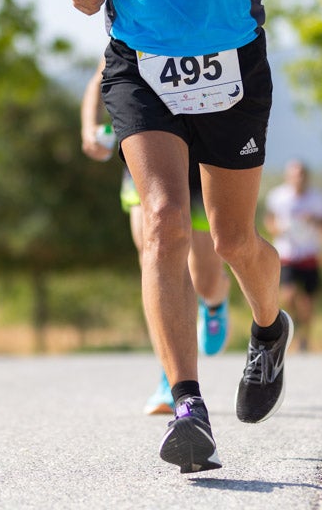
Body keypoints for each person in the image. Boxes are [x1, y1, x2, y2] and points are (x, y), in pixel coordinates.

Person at [69, 0, 322, 473]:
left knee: (235, 240)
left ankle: (269, 327)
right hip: (137, 59)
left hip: (230, 57)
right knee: (161, 221)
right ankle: (187, 404)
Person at [81, 58, 232, 415]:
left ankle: (215, 301)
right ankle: (171, 377)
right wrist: (89, 128)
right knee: (157, 259)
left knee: (204, 277)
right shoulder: (133, 30)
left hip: (199, 151)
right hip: (145, 147)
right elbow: (99, 78)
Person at [263, 160, 322, 352]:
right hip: (287, 254)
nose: (298, 178)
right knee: (289, 295)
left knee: (308, 301)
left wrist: (314, 219)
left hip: (310, 253)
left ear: (307, 177)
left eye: (301, 174)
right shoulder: (278, 196)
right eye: (294, 174)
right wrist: (278, 229)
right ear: (288, 176)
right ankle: (291, 326)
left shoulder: (317, 198)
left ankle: (304, 337)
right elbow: (269, 221)